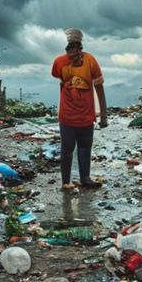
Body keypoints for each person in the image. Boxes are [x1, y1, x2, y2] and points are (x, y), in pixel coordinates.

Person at [51, 28, 108, 190]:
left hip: (82, 115)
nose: (75, 49)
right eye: (74, 45)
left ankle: (79, 179)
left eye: (75, 45)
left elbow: (99, 86)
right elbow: (99, 89)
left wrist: (103, 115)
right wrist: (103, 115)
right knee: (72, 149)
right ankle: (70, 181)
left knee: (77, 148)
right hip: (70, 115)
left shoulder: (89, 61)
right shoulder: (60, 62)